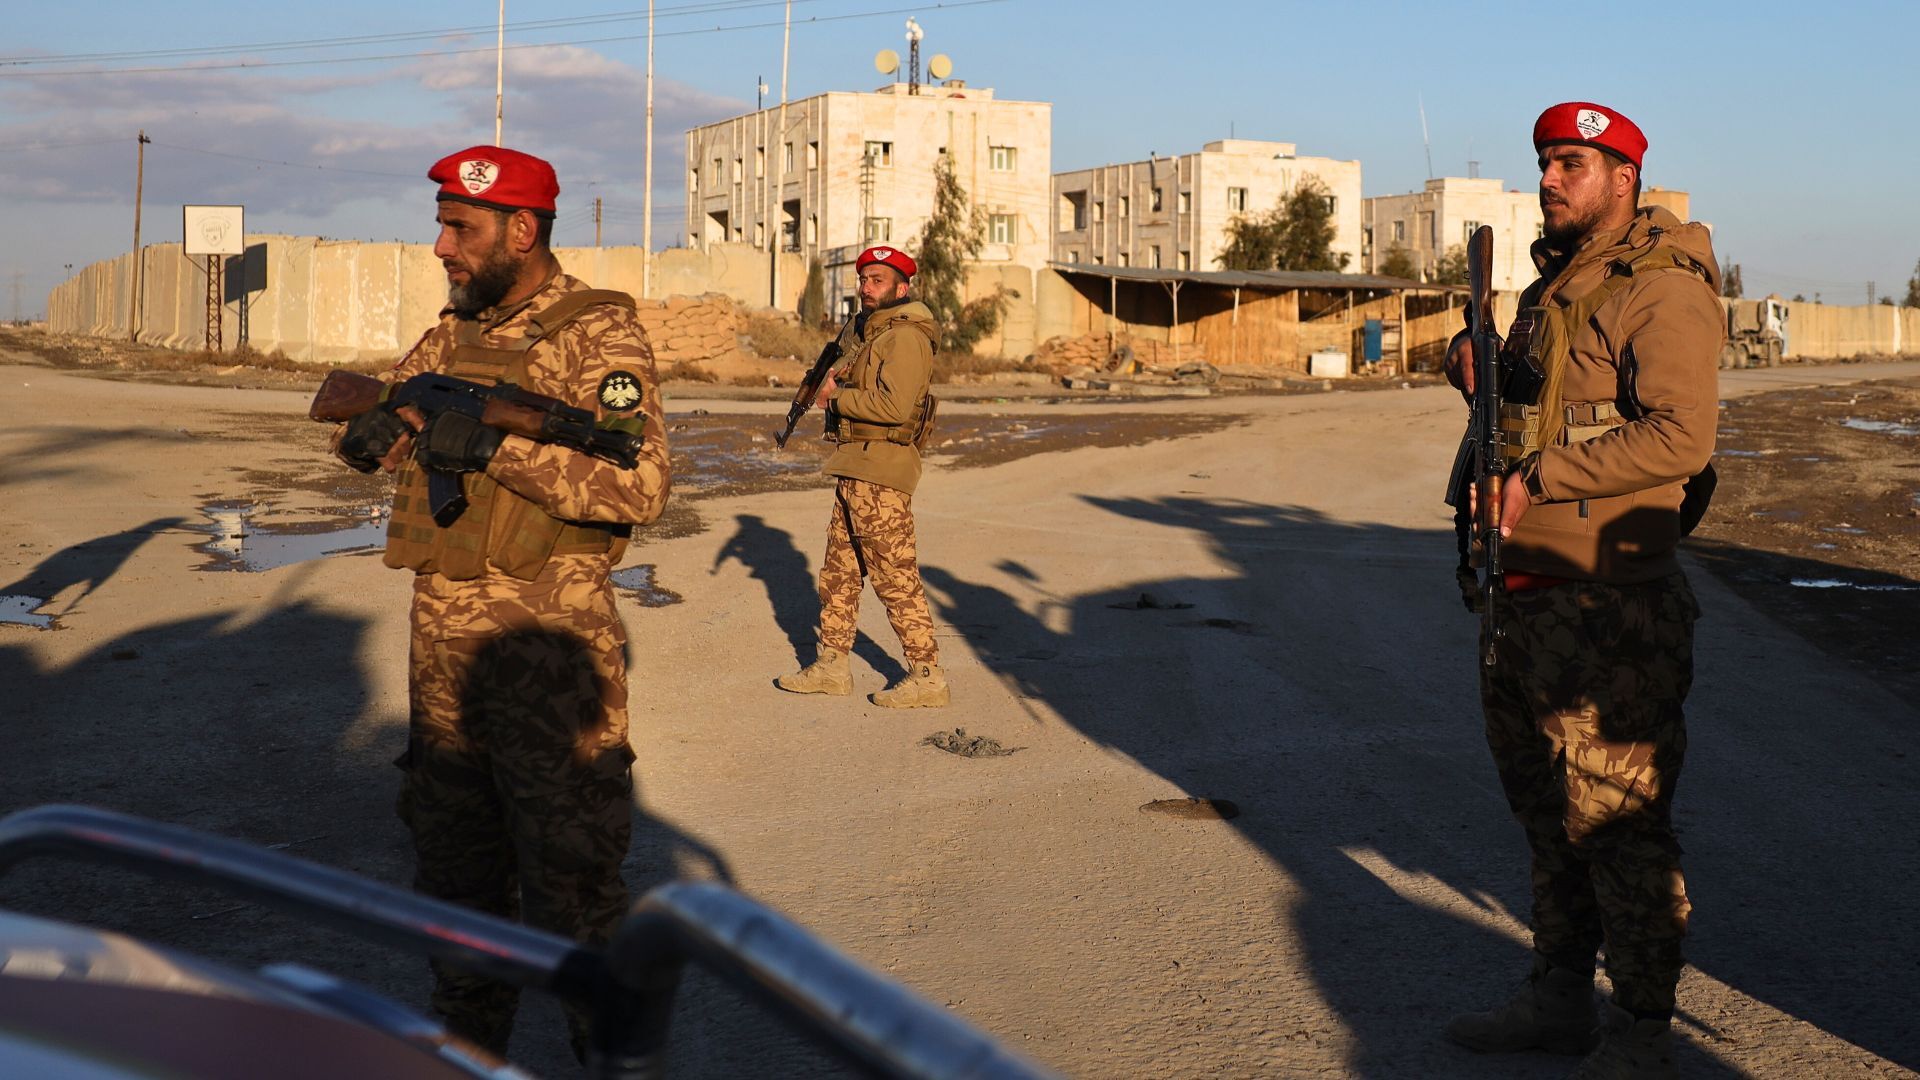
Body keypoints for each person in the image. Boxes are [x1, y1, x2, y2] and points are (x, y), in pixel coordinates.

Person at [330, 145, 670, 1059]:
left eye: (461, 229)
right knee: (455, 879)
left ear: (523, 230)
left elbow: (638, 490)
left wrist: (491, 450)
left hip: (545, 655)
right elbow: (404, 415)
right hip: (443, 655)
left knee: (573, 893)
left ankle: (610, 1063)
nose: (441, 246)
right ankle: (464, 1057)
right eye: (442, 225)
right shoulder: (454, 330)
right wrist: (383, 429)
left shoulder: (598, 338)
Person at [1441, 103, 1723, 1079]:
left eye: (1571, 163)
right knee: (1545, 816)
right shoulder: (1556, 282)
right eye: (1546, 163)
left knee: (1617, 821)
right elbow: (1533, 398)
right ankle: (1558, 998)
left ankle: (1643, 1032)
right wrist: (1468, 364)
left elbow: (1681, 437)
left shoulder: (1662, 290)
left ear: (1623, 177)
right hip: (1522, 594)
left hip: (1609, 604)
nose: (1550, 179)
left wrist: (1543, 478)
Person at [775, 246, 948, 708]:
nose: (867, 287)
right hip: (855, 464)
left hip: (883, 471)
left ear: (901, 288)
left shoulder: (906, 338)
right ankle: (832, 666)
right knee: (839, 574)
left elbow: (893, 408)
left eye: (878, 280)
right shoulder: (869, 334)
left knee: (894, 576)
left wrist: (835, 399)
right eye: (864, 279)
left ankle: (927, 675)